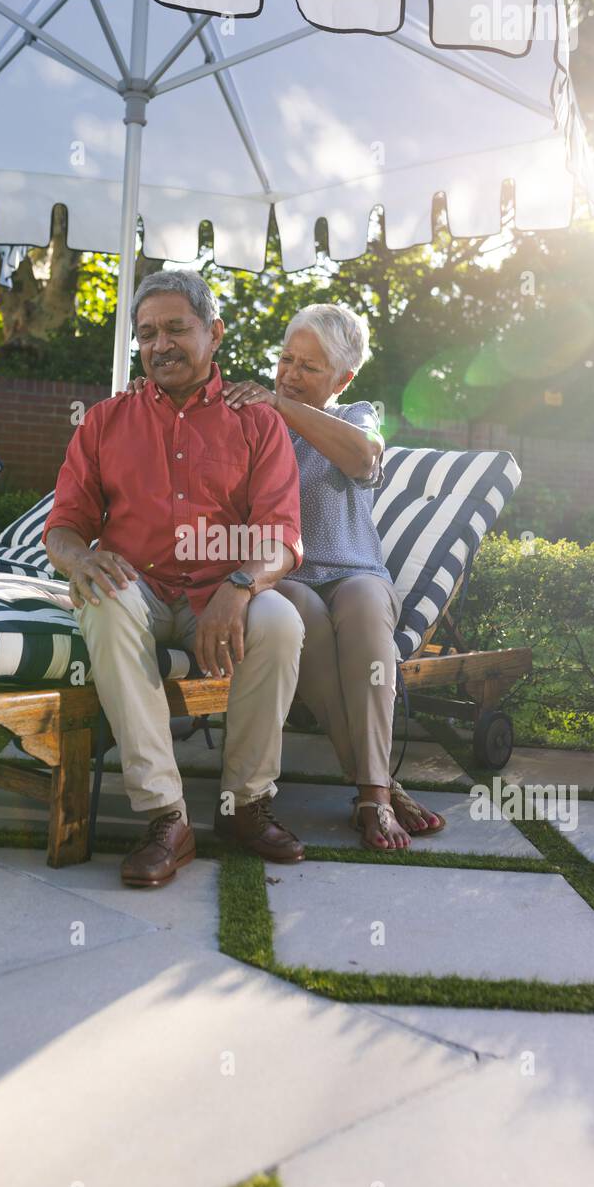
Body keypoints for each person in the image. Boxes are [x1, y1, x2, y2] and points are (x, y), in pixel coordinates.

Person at [42, 270, 307, 888]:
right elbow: (63, 526)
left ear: (214, 333)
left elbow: (284, 536)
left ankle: (245, 805)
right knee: (103, 601)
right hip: (138, 587)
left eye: (176, 329)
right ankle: (167, 816)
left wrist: (239, 589)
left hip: (225, 589)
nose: (160, 344)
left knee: (282, 622)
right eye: (146, 334)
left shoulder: (258, 423)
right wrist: (80, 560)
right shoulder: (105, 422)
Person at [222, 304, 447, 850]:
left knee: (368, 612)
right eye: (286, 360)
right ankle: (378, 791)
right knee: (305, 617)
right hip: (286, 576)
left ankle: (374, 794)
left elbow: (363, 459)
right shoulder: (255, 417)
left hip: (354, 571)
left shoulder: (357, 418)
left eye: (309, 367)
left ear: (343, 379)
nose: (290, 374)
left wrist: (283, 403)